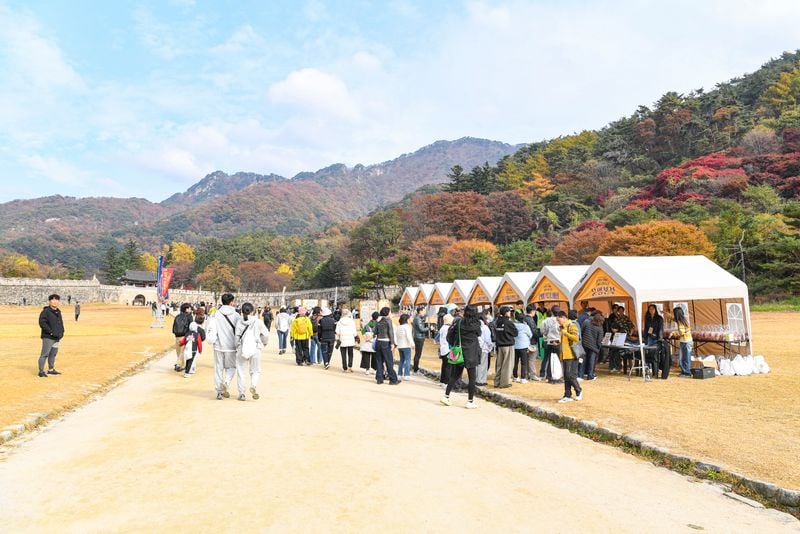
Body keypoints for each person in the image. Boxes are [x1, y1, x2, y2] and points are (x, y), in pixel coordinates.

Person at [440, 305, 483, 409]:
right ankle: (470, 401)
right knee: (472, 378)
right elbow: (479, 333)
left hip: (459, 352)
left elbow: (450, 336)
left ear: (465, 312)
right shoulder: (477, 323)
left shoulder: (458, 322)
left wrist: (454, 344)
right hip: (471, 353)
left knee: (455, 375)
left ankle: (446, 396)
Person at [205, 293, 241, 400]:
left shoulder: (215, 314)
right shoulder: (236, 315)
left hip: (218, 346)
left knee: (218, 369)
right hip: (231, 347)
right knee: (232, 367)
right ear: (231, 302)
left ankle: (219, 392)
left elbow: (209, 327)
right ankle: (226, 382)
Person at [234, 302, 270, 401]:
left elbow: (236, 337)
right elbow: (265, 334)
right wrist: (264, 343)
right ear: (253, 311)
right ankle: (253, 385)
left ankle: (241, 393)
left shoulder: (239, 322)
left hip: (242, 348)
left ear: (242, 311)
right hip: (255, 348)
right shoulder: (257, 321)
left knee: (241, 371)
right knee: (255, 370)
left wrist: (236, 347)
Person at [557, 310, 582, 403]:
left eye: (559, 320)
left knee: (569, 375)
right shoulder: (563, 327)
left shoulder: (571, 325)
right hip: (564, 354)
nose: (558, 322)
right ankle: (567, 395)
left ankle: (578, 390)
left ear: (564, 318)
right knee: (566, 376)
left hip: (571, 354)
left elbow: (576, 338)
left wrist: (565, 333)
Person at [37, 293, 65, 377]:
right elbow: (42, 323)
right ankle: (41, 371)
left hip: (57, 337)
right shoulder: (45, 312)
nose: (55, 301)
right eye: (53, 300)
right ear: (49, 302)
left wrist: (62, 332)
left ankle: (51, 369)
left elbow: (60, 323)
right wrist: (51, 332)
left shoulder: (58, 312)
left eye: (57, 300)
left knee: (53, 353)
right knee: (45, 354)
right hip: (48, 337)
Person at [493, 306, 517, 389]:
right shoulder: (508, 322)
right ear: (506, 312)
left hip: (500, 345)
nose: (510, 313)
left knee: (499, 364)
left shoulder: (497, 321)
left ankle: (497, 382)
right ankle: (504, 383)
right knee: (507, 365)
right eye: (509, 311)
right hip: (508, 345)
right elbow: (515, 333)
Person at [373, 307, 399, 385]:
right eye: (390, 312)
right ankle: (393, 380)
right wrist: (392, 343)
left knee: (379, 361)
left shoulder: (378, 320)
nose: (390, 313)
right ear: (387, 313)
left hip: (378, 342)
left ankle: (379, 379)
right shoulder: (388, 320)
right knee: (389, 361)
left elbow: (375, 331)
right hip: (386, 342)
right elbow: (391, 332)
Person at [540, 306, 562, 383]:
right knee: (556, 359)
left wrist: (547, 335)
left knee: (549, 358)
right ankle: (555, 376)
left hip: (548, 341)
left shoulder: (546, 320)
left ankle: (548, 376)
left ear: (551, 312)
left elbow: (542, 331)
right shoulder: (560, 320)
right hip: (558, 342)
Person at [581, 312, 604, 380]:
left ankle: (580, 375)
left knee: (583, 361)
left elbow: (582, 332)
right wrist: (599, 347)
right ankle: (590, 375)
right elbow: (599, 340)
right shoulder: (600, 327)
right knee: (592, 361)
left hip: (584, 344)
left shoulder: (586, 322)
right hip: (594, 347)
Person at [512, 311, 533, 383]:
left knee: (515, 362)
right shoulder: (526, 326)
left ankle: (515, 377)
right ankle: (523, 378)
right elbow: (530, 335)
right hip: (524, 346)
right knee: (524, 362)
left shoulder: (513, 325)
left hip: (515, 346)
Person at [172, 303, 193, 372]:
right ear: (186, 309)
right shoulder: (189, 316)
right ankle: (177, 364)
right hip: (184, 336)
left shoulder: (177, 316)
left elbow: (174, 326)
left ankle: (181, 365)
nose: (191, 310)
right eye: (190, 308)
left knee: (179, 352)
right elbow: (191, 327)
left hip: (177, 336)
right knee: (182, 351)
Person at [672, 306, 693, 377]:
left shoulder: (681, 322)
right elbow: (673, 318)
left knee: (685, 358)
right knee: (683, 358)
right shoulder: (682, 320)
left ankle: (687, 373)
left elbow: (681, 332)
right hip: (685, 341)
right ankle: (684, 372)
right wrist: (666, 314)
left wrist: (673, 333)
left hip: (686, 342)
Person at [335, 308, 357, 372]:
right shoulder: (351, 321)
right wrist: (355, 336)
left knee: (343, 354)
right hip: (350, 339)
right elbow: (354, 331)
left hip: (342, 339)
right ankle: (350, 366)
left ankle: (345, 368)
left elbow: (337, 331)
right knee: (350, 354)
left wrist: (337, 338)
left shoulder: (339, 321)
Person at [476, 313, 494, 386]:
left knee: (477, 365)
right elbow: (488, 339)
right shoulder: (485, 327)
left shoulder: (475, 326)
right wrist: (490, 347)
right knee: (483, 365)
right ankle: (481, 380)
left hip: (475, 347)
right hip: (484, 348)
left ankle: (476, 379)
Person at [395, 313, 413, 380]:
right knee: (407, 360)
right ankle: (406, 375)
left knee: (401, 360)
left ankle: (399, 374)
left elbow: (396, 336)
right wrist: (412, 344)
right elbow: (409, 336)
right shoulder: (407, 327)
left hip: (400, 346)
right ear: (407, 320)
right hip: (406, 345)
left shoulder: (398, 327)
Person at [411, 306, 429, 374]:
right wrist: (429, 328)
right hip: (419, 338)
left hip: (418, 337)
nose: (424, 312)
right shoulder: (418, 319)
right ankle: (416, 369)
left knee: (417, 353)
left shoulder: (418, 318)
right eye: (423, 311)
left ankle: (416, 368)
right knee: (418, 354)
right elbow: (421, 329)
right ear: (420, 311)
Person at [438, 313, 454, 387]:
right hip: (447, 349)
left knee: (444, 366)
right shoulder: (447, 328)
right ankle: (446, 382)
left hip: (443, 349)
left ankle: (442, 380)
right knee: (448, 367)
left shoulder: (442, 327)